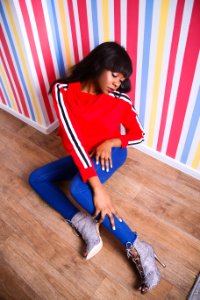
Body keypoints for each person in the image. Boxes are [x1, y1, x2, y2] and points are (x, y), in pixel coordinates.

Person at [29, 42, 165, 294]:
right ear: (99, 64)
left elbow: (139, 135)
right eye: (115, 75)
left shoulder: (119, 100)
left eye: (121, 79)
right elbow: (73, 140)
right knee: (37, 178)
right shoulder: (63, 91)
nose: (117, 83)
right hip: (84, 153)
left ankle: (138, 247)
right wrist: (99, 189)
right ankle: (84, 222)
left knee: (80, 189)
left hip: (110, 154)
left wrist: (112, 141)